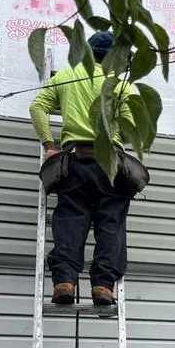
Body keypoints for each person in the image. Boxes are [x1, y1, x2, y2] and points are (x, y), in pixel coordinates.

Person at [29, 31, 137, 307]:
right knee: (110, 224)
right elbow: (130, 128)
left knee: (70, 220)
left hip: (74, 163)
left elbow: (38, 107)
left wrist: (48, 144)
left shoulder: (67, 77)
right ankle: (102, 286)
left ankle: (64, 281)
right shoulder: (121, 85)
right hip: (110, 164)